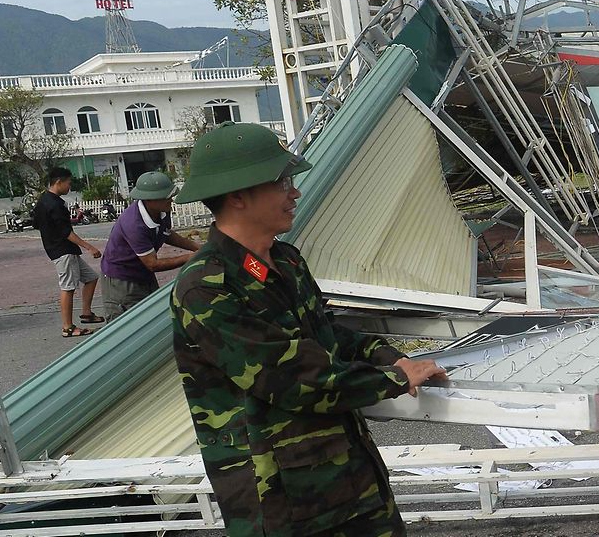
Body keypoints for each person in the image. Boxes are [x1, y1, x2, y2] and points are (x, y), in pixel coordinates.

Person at [169, 122, 448, 537]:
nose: (293, 192)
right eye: (281, 182)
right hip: (281, 499)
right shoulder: (206, 287)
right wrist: (393, 379)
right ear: (238, 196)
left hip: (349, 475)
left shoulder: (285, 260)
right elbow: (291, 378)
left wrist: (393, 357)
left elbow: (328, 335)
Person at [98, 171, 202, 319]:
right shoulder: (134, 224)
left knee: (154, 316)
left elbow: (166, 233)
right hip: (121, 280)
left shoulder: (161, 211)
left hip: (143, 275)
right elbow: (152, 264)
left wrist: (197, 247)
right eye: (166, 197)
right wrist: (190, 257)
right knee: (128, 324)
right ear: (149, 200)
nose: (171, 200)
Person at [33, 167, 103, 337]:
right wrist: (90, 247)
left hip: (60, 249)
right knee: (68, 287)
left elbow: (37, 224)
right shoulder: (55, 204)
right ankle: (68, 327)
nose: (69, 187)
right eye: (68, 183)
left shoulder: (43, 201)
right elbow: (66, 232)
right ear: (59, 182)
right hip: (63, 251)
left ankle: (86, 314)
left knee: (91, 278)